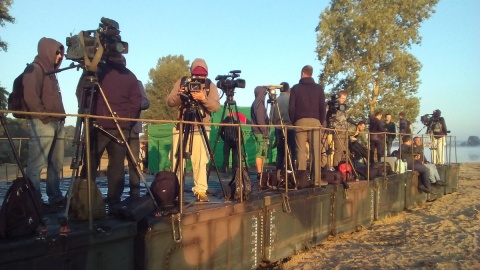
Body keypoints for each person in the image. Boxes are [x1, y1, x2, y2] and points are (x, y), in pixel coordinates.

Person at [80, 52, 141, 207]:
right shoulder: (130, 76)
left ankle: (84, 198)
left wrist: (89, 111)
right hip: (120, 126)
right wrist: (127, 120)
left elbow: (81, 92)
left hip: (98, 123)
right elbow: (136, 101)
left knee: (91, 162)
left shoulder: (97, 72)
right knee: (117, 165)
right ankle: (114, 199)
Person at [167, 58, 220, 202]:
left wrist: (204, 98)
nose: (199, 78)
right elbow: (169, 102)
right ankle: (175, 190)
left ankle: (201, 191)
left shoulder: (210, 86)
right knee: (177, 159)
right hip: (182, 125)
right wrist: (180, 95)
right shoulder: (183, 82)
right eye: (196, 75)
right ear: (191, 73)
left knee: (200, 160)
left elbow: (215, 107)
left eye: (202, 75)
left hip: (201, 127)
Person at [23, 37, 66, 206]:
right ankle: (33, 200)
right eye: (57, 53)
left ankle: (55, 196)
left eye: (61, 54)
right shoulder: (35, 69)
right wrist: (44, 117)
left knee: (56, 164)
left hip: (58, 122)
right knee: (37, 164)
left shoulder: (52, 73)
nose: (59, 57)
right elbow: (31, 97)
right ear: (47, 51)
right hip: (43, 123)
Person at [289, 65, 327, 186]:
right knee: (315, 151)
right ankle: (316, 180)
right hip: (315, 122)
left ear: (302, 74)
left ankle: (301, 180)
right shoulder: (319, 88)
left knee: (300, 150)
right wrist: (320, 121)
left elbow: (291, 108)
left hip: (300, 122)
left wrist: (294, 121)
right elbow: (322, 107)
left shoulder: (295, 88)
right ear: (311, 74)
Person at [127, 80, 150, 198]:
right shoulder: (110, 82)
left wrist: (134, 103)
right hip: (114, 127)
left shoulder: (136, 83)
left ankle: (135, 193)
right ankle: (113, 197)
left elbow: (146, 102)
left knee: (134, 162)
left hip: (133, 129)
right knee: (115, 163)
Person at [271, 82, 297, 172]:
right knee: (293, 150)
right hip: (291, 128)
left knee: (280, 152)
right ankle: (294, 170)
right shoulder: (291, 99)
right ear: (288, 89)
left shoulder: (275, 100)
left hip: (279, 128)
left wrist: (277, 124)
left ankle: (279, 171)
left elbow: (272, 116)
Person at [251, 86, 270, 181]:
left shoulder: (256, 103)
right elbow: (260, 121)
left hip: (259, 131)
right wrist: (265, 132)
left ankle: (261, 172)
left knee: (262, 153)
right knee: (260, 153)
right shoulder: (259, 105)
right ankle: (259, 173)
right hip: (260, 132)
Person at [326, 90, 348, 168]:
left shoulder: (342, 106)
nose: (343, 100)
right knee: (338, 151)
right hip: (338, 130)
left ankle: (343, 169)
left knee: (344, 152)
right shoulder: (333, 106)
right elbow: (328, 116)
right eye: (342, 98)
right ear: (338, 97)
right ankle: (336, 168)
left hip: (345, 130)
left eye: (345, 98)